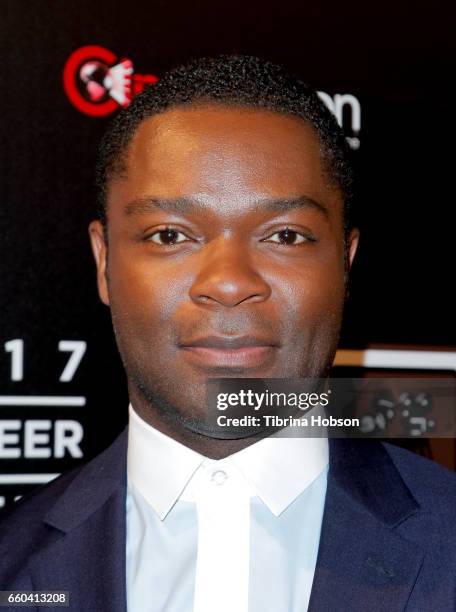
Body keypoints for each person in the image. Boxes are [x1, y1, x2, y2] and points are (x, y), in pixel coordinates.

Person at [1, 55, 455, 612]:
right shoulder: (10, 563)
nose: (229, 282)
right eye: (170, 234)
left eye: (285, 236)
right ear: (104, 262)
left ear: (345, 263)